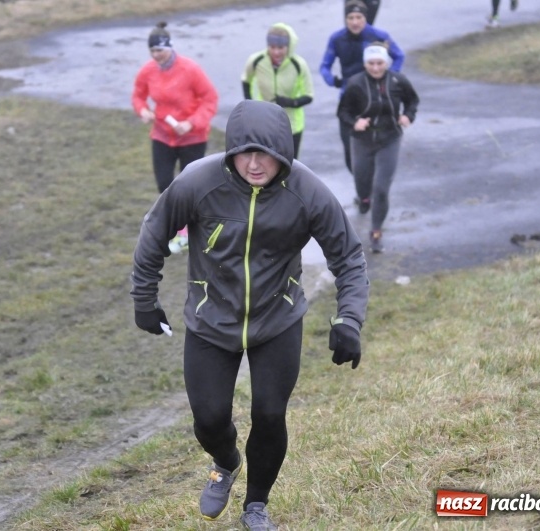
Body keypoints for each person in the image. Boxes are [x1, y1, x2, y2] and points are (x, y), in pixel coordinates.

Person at [131, 99, 369, 529]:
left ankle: (256, 505)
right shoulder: (198, 182)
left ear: (284, 154)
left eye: (267, 155)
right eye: (246, 152)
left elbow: (348, 257)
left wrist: (349, 319)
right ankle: (226, 461)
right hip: (210, 321)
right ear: (231, 151)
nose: (255, 164)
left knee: (270, 414)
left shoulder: (307, 191)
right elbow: (154, 232)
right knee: (209, 418)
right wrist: (143, 299)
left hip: (276, 319)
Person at [132, 21, 218, 254]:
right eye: (152, 51)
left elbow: (210, 99)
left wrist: (191, 123)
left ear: (169, 47)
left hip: (192, 137)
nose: (156, 56)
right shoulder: (148, 71)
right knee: (164, 183)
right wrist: (143, 111)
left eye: (159, 50)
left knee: (188, 187)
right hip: (162, 135)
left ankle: (187, 232)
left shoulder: (190, 69)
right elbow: (138, 96)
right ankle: (176, 226)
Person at [337, 43, 419, 254]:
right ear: (365, 63)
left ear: (387, 62)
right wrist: (355, 122)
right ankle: (363, 199)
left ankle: (375, 232)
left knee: (381, 189)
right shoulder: (355, 83)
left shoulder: (398, 81)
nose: (375, 68)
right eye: (371, 63)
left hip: (390, 138)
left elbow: (412, 101)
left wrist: (407, 116)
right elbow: (343, 111)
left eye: (379, 63)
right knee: (362, 181)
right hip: (362, 140)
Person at [319, 0, 404, 186]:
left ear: (366, 18)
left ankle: (370, 190)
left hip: (375, 100)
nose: (355, 22)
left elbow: (399, 56)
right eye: (350, 17)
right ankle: (364, 186)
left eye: (359, 17)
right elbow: (324, 66)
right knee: (350, 154)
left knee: (375, 146)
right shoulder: (337, 38)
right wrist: (333, 80)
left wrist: (389, 77)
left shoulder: (379, 35)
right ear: (345, 19)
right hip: (348, 101)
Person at [241, 23, 314, 159]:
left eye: (281, 47)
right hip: (263, 122)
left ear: (288, 46)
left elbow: (309, 95)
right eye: (272, 47)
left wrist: (290, 102)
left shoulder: (299, 64)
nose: (276, 52)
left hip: (292, 125)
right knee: (265, 163)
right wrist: (250, 104)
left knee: (288, 166)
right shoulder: (256, 60)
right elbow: (246, 80)